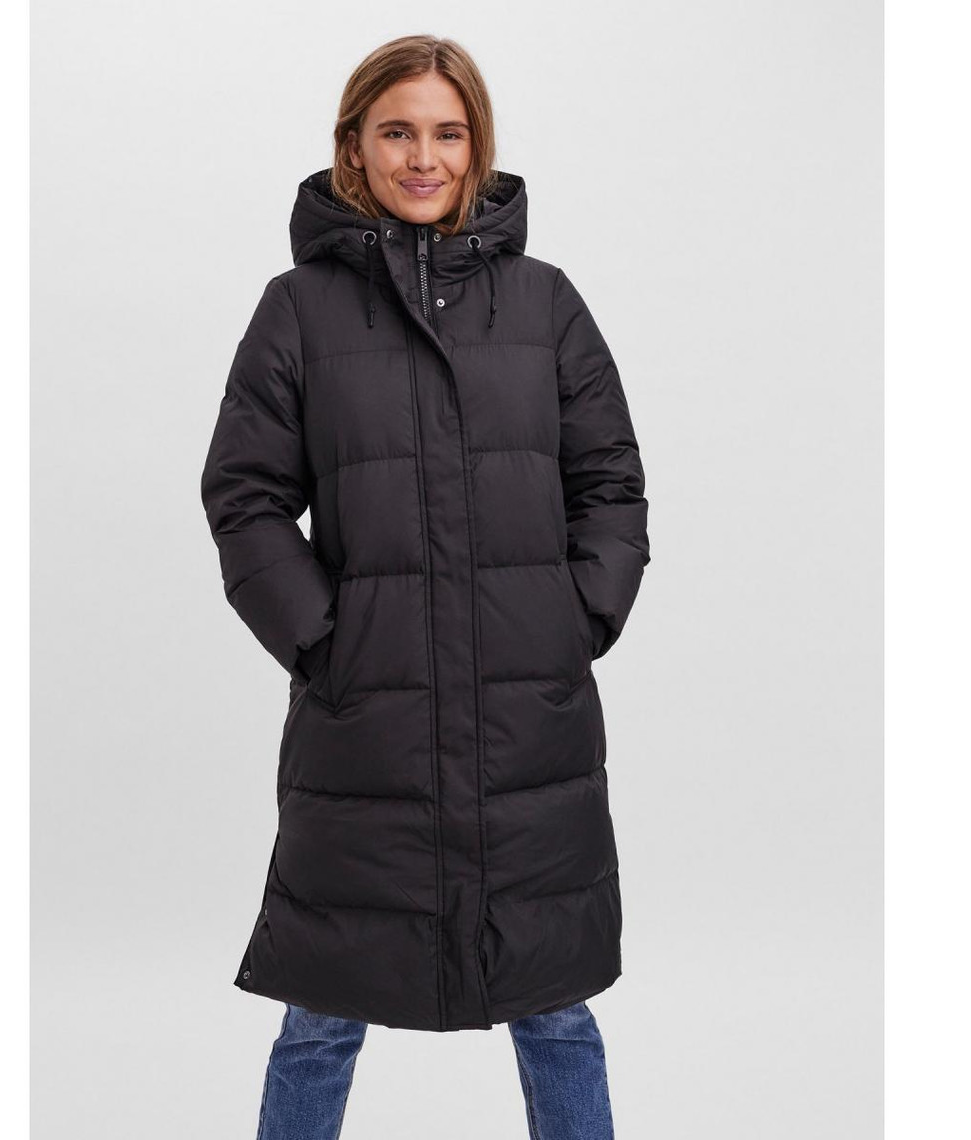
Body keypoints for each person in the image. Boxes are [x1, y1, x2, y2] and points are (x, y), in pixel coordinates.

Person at [201, 33, 650, 1139]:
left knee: (556, 1009)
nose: (422, 157)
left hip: (527, 723)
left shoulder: (544, 305)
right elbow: (246, 496)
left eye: (448, 133)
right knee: (320, 1011)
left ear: (477, 147)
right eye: (397, 131)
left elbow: (610, 481)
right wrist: (325, 640)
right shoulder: (298, 310)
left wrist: (575, 618)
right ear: (354, 143)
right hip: (369, 722)